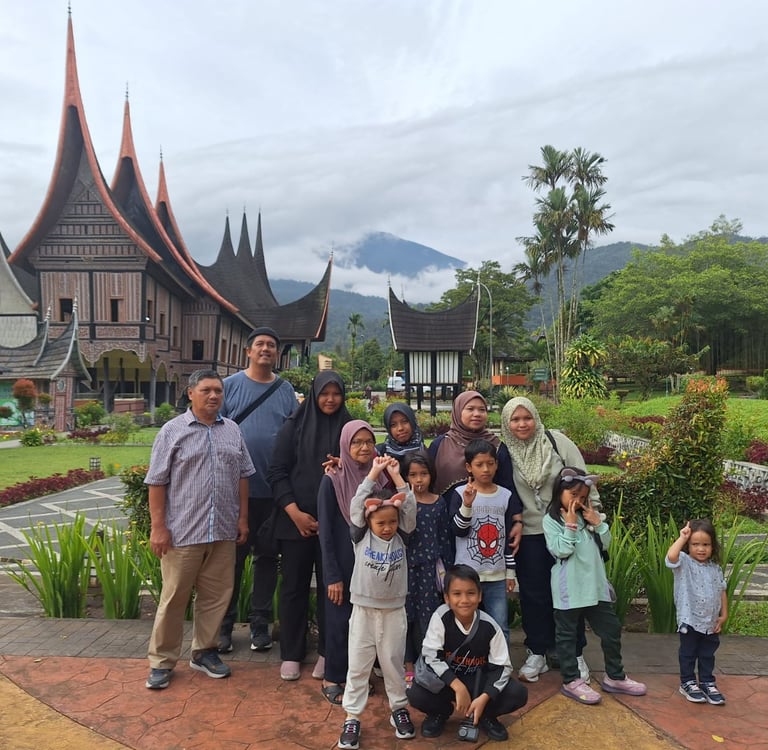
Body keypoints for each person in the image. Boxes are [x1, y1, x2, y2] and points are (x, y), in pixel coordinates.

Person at [144, 369, 255, 690]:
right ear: (190, 393)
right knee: (174, 597)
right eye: (206, 390)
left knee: (216, 596)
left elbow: (243, 475)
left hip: (222, 531)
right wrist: (158, 527)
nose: (213, 396)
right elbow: (156, 481)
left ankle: (204, 651)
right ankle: (162, 661)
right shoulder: (172, 431)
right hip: (182, 533)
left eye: (218, 391)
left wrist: (242, 518)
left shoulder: (232, 430)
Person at [500, 395, 595, 683]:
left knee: (570, 594)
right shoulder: (505, 452)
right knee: (534, 595)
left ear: (536, 417)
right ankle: (537, 651)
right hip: (529, 535)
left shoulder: (556, 442)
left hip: (566, 528)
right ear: (506, 423)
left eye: (526, 417)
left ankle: (574, 652)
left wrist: (593, 515)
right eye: (515, 419)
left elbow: (583, 479)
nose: (522, 424)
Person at [268, 370, 352, 681]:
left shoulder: (350, 427)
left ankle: (328, 652)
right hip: (296, 522)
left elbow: (365, 466)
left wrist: (348, 466)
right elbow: (277, 472)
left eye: (336, 393)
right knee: (293, 588)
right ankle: (292, 652)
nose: (330, 399)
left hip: (338, 524)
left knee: (335, 590)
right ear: (314, 394)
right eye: (324, 393)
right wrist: (295, 513)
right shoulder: (294, 426)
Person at [218, 327, 297, 654]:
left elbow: (294, 434)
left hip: (272, 491)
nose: (266, 349)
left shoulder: (285, 389)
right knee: (230, 562)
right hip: (234, 493)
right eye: (260, 344)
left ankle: (259, 624)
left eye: (271, 345)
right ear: (248, 351)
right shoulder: (229, 387)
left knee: (266, 558)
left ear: (276, 353)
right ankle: (223, 627)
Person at [543, 467, 647, 704]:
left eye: (582, 497)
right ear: (560, 491)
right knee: (567, 637)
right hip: (569, 590)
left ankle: (615, 676)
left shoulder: (588, 516)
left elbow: (606, 545)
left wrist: (598, 523)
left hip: (596, 588)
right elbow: (561, 550)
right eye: (573, 495)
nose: (577, 501)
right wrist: (569, 525)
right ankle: (571, 680)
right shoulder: (551, 520)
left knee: (611, 630)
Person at [336, 458, 418, 749]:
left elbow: (409, 507)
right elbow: (357, 504)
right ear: (369, 521)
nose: (387, 528)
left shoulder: (403, 536)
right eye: (381, 523)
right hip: (363, 612)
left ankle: (399, 710)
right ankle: (352, 716)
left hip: (394, 611)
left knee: (394, 665)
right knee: (358, 666)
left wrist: (397, 477)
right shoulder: (360, 536)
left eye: (392, 522)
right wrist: (373, 474)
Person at [407, 564, 528, 741]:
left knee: (518, 693)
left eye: (471, 593)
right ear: (447, 597)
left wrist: (485, 697)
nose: (464, 600)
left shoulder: (490, 626)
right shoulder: (441, 617)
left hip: (478, 684)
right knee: (415, 693)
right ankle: (440, 713)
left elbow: (502, 667)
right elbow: (431, 656)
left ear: (479, 596)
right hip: (447, 683)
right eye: (457, 594)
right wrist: (457, 686)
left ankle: (485, 714)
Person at [318, 419, 387, 705]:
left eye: (368, 442)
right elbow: (326, 532)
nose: (363, 447)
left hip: (371, 565)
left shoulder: (380, 479)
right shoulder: (332, 479)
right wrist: (332, 575)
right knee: (340, 622)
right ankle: (333, 677)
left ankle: (359, 675)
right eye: (356, 442)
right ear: (345, 445)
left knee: (366, 626)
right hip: (343, 566)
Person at [447, 439, 522, 643]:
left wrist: (510, 572)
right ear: (469, 467)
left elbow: (506, 538)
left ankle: (501, 670)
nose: (486, 469)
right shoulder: (460, 493)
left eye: (490, 463)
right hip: (466, 575)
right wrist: (467, 506)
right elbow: (458, 531)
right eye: (479, 464)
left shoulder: (506, 496)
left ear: (497, 464)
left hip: (496, 576)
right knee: (463, 624)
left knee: (500, 626)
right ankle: (467, 666)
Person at [401, 452, 453, 680]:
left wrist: (449, 574)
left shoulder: (438, 502)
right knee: (406, 617)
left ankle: (427, 663)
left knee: (427, 616)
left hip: (430, 570)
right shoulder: (401, 502)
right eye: (413, 475)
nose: (419, 480)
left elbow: (444, 538)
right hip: (405, 569)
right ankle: (407, 664)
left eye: (423, 474)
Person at [665, 519, 728, 705]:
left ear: (713, 546)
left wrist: (723, 615)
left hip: (710, 622)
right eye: (695, 544)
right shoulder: (684, 563)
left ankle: (708, 682)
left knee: (708, 653)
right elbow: (671, 557)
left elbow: (721, 590)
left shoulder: (715, 569)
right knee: (688, 652)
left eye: (706, 544)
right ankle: (688, 682)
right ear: (689, 546)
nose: (701, 549)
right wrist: (682, 538)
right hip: (689, 619)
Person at [428, 390, 514, 496]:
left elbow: (508, 488)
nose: (477, 414)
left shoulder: (497, 447)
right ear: (458, 411)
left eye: (482, 410)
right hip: (447, 510)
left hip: (489, 510)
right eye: (470, 409)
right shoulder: (440, 445)